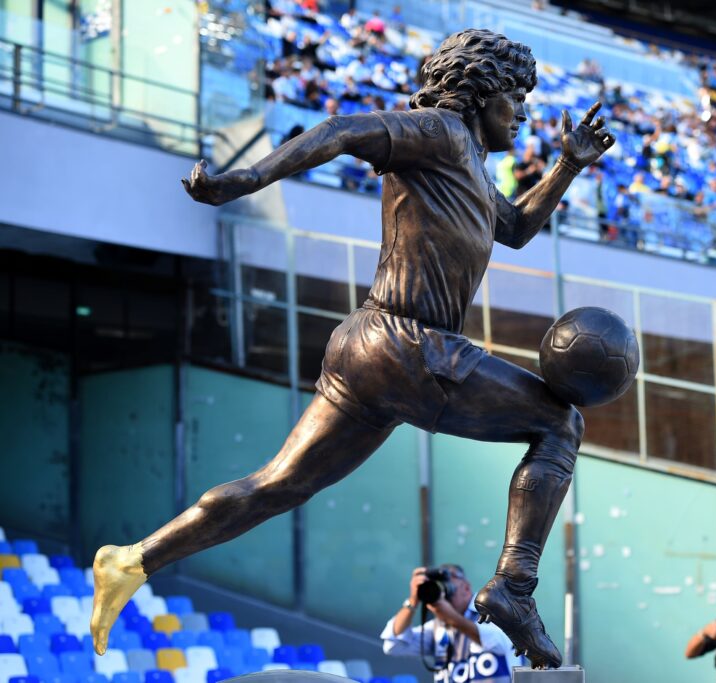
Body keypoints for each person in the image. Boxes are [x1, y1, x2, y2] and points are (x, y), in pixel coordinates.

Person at [88, 29, 616, 670]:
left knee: (275, 486)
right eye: (516, 99)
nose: (525, 114)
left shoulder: (470, 163)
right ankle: (515, 587)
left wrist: (567, 164)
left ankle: (132, 561)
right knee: (560, 421)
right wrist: (245, 179)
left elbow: (519, 229)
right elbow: (342, 128)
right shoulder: (441, 131)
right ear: (480, 96)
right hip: (409, 344)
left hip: (367, 351)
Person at [381, 565, 524, 681]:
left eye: (448, 579)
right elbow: (393, 645)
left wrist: (452, 618)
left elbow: (499, 641)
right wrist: (413, 601)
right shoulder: (437, 626)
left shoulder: (496, 610)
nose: (442, 587)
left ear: (466, 587)